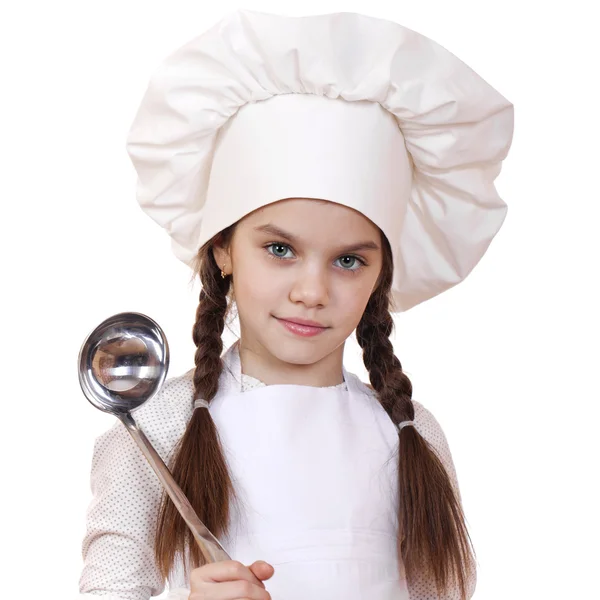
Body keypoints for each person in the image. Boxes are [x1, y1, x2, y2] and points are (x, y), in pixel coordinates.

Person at [78, 8, 514, 600]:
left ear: (382, 273)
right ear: (223, 248)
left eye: (349, 260)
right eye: (280, 248)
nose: (312, 291)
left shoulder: (412, 435)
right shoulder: (155, 427)